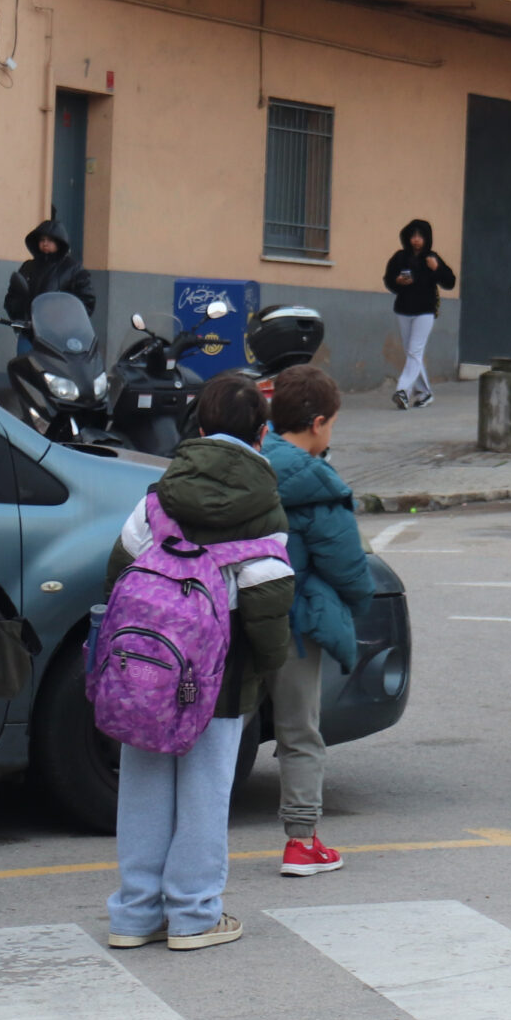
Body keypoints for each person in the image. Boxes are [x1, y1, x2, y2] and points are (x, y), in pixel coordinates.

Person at [105, 371, 294, 952]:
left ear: (201, 428)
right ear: (261, 435)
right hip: (223, 670)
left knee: (142, 783)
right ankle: (193, 914)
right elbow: (267, 598)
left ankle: (135, 915)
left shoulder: (159, 496)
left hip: (150, 666)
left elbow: (120, 570)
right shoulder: (263, 506)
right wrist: (266, 669)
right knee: (206, 790)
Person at [260, 366, 373, 877]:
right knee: (299, 730)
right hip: (292, 620)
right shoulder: (316, 482)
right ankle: (301, 841)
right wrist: (355, 604)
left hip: (235, 614)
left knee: (220, 727)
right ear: (319, 422)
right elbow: (348, 565)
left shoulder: (251, 461)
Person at [380, 218, 455, 409]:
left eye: (420, 236)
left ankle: (402, 392)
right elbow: (388, 280)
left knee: (414, 351)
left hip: (425, 311)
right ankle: (425, 393)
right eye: (413, 235)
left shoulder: (432, 258)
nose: (416, 240)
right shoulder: (399, 257)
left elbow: (450, 281)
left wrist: (436, 269)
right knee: (413, 353)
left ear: (427, 238)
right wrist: (397, 281)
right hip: (404, 310)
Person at [3, 219, 96, 353]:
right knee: (24, 367)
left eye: (50, 240)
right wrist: (20, 315)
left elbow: (86, 301)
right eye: (42, 239)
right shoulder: (28, 267)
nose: (45, 243)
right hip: (30, 333)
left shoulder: (72, 269)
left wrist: (67, 322)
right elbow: (13, 294)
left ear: (59, 242)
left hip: (60, 337)